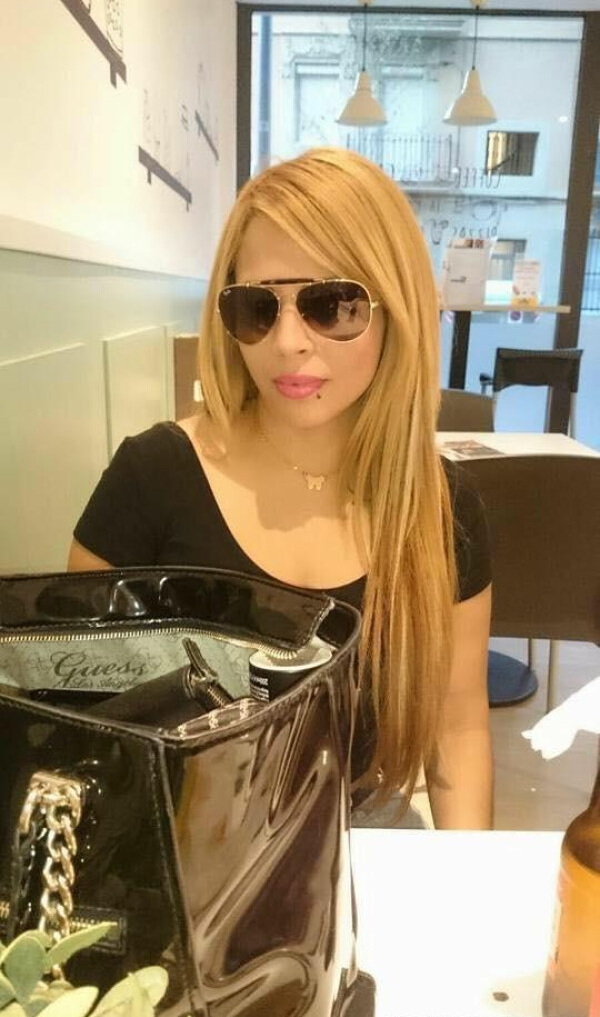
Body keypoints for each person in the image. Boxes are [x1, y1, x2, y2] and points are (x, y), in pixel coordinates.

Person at [68, 147, 493, 829]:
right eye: (257, 307)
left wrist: (467, 878)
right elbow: (78, 718)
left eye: (333, 305)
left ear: (396, 310)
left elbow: (458, 726)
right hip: (178, 840)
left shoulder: (442, 507)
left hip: (362, 830)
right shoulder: (150, 478)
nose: (288, 342)